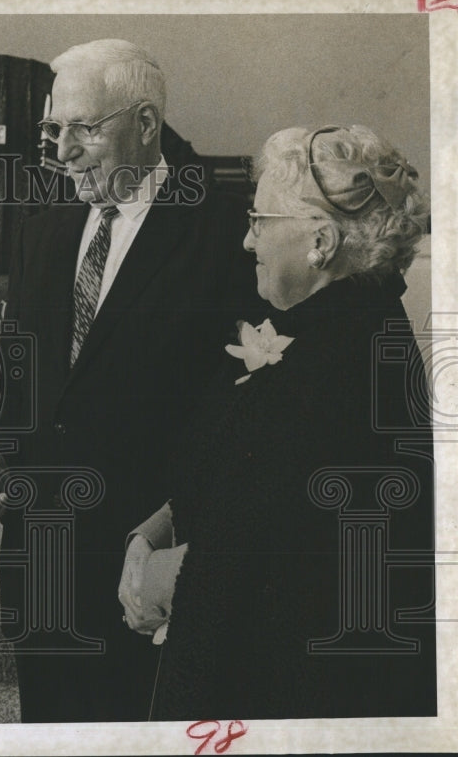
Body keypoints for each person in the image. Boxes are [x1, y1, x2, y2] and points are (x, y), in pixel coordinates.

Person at [0, 38, 262, 723]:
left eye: (82, 129)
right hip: (42, 564)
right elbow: (22, 375)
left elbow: (240, 405)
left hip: (150, 569)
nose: (61, 151)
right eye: (52, 129)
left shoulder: (223, 235)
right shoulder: (41, 233)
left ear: (146, 124)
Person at [119, 125, 436, 719]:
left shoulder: (357, 354)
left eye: (260, 220)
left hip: (297, 688)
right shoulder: (314, 327)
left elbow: (309, 553)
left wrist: (167, 576)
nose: (246, 241)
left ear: (320, 239)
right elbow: (235, 470)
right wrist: (151, 533)